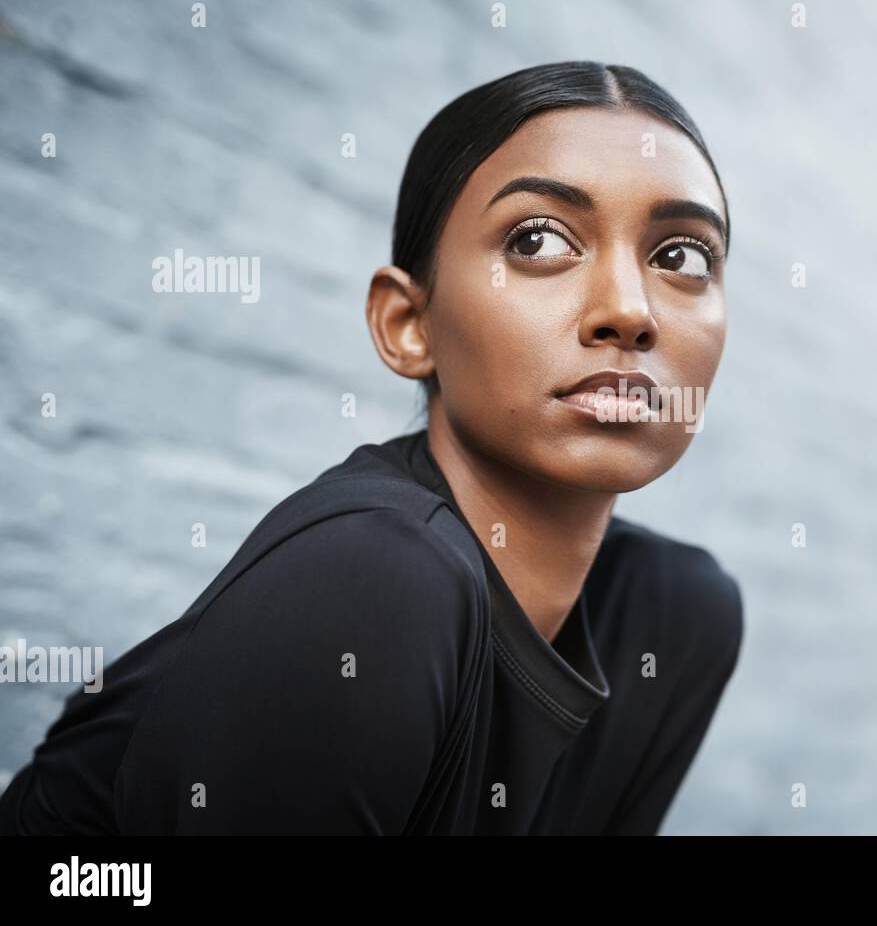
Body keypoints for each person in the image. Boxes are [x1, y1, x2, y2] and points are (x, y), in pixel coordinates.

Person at [0, 59, 743, 835]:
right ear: (407, 325)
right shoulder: (376, 578)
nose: (629, 310)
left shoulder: (672, 617)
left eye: (681, 256)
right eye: (537, 239)